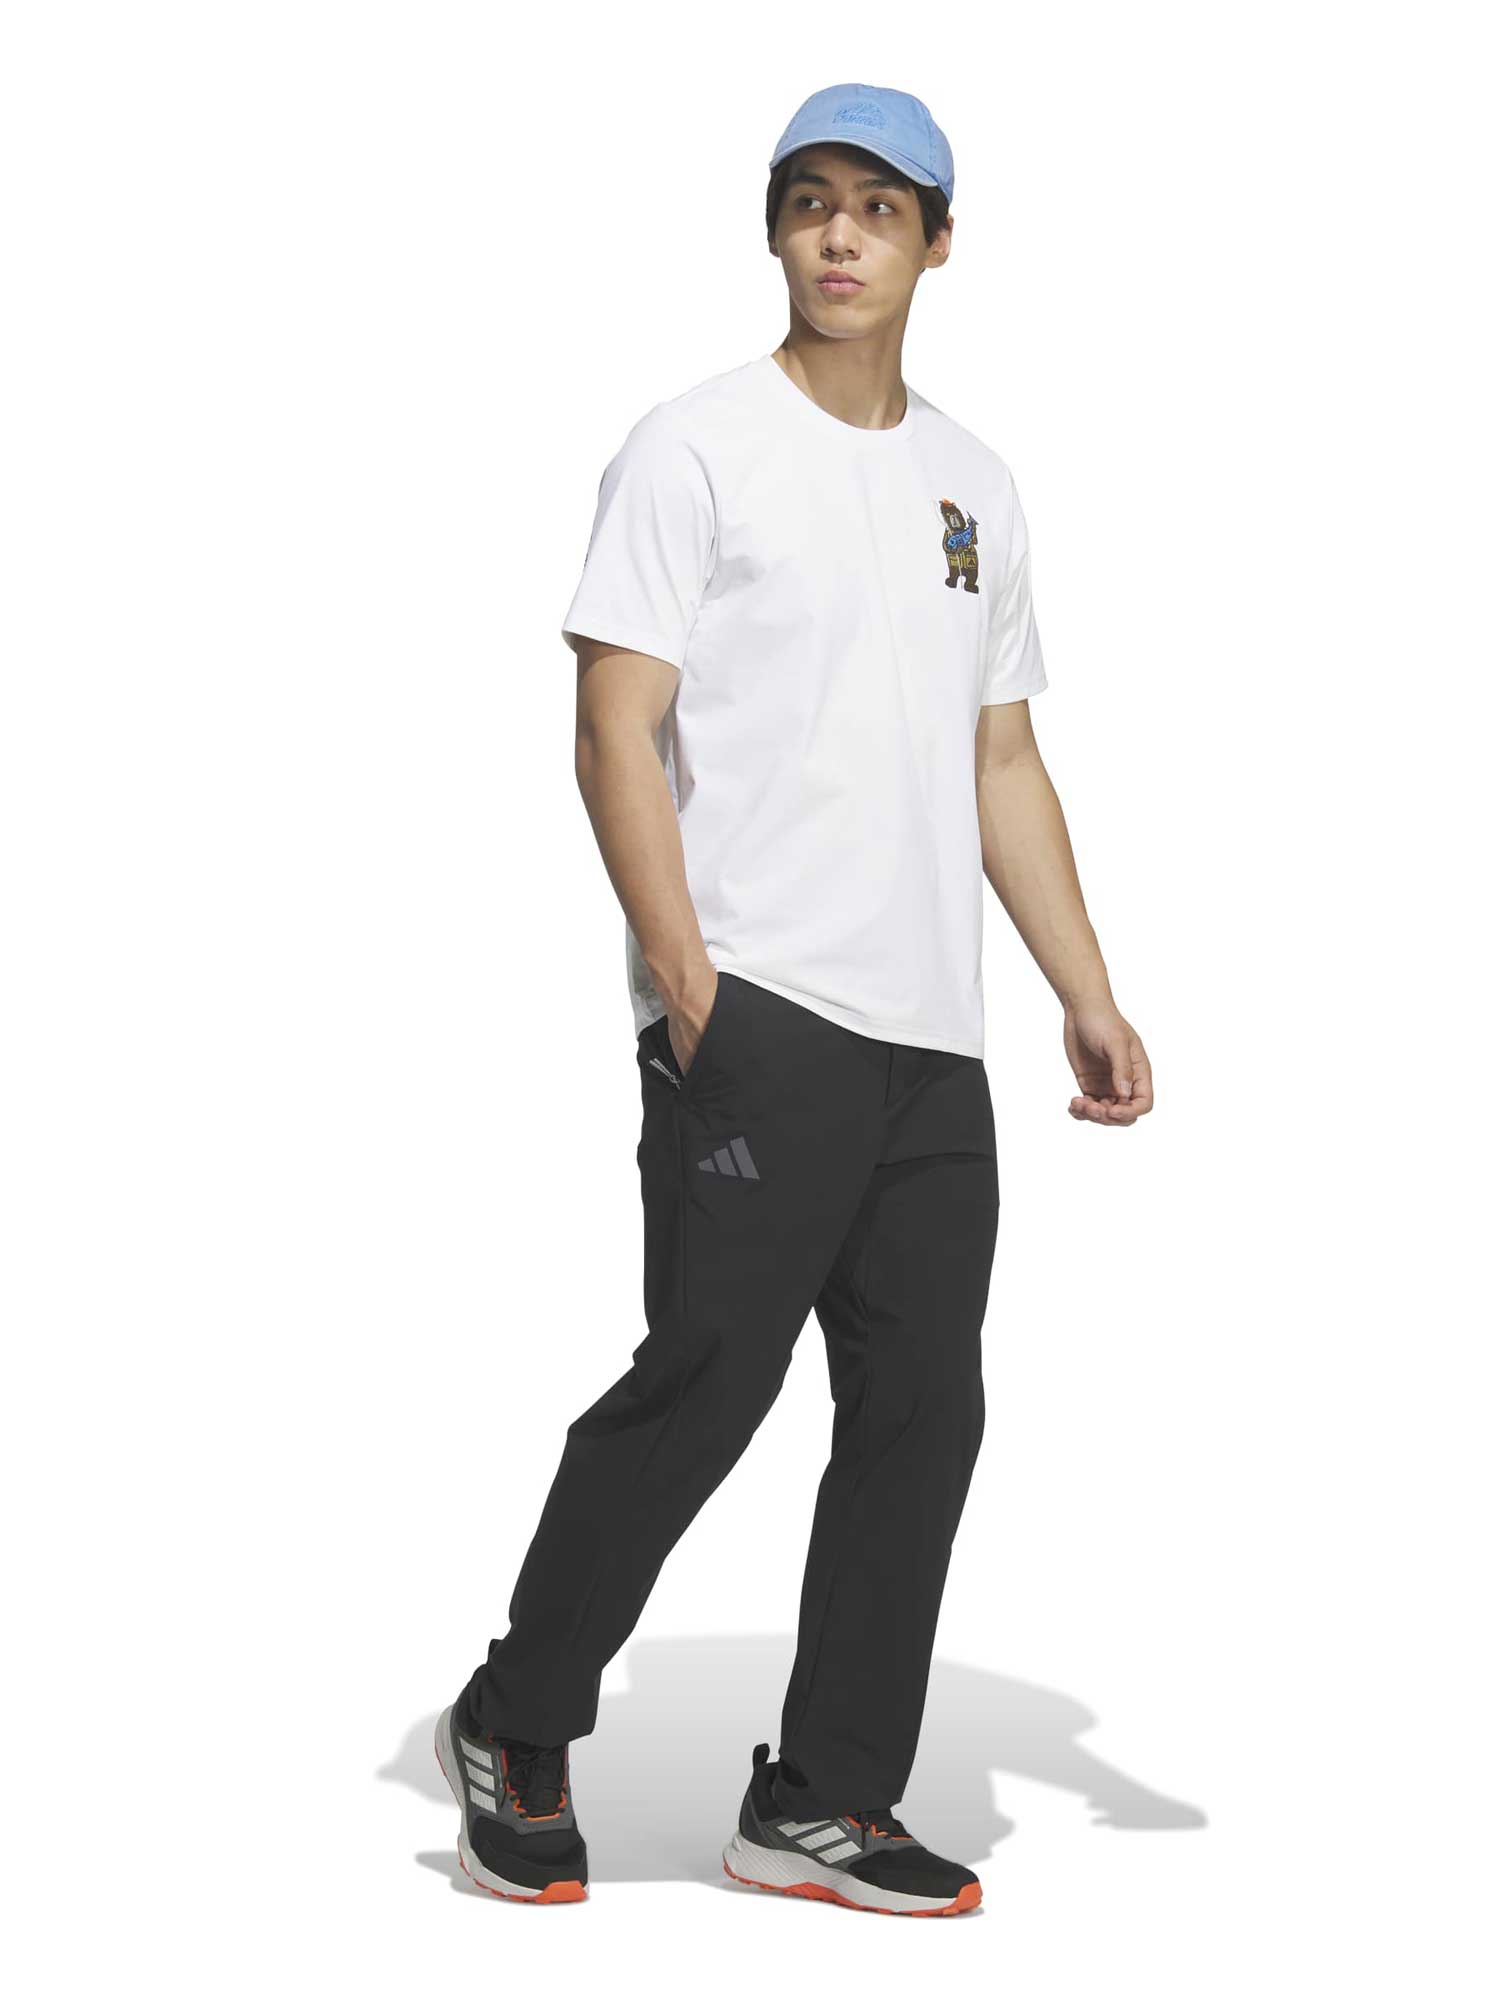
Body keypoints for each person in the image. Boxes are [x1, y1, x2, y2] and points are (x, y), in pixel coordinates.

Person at [434, 80, 1154, 1919]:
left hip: (932, 1044)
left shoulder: (976, 486)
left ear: (937, 243)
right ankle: (517, 1719)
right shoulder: (693, 447)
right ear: (775, 229)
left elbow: (1002, 759)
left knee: (923, 1416)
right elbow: (614, 726)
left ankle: (822, 1800)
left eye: (880, 207)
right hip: (760, 1009)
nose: (840, 234)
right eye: (811, 201)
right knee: (707, 1381)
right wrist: (689, 987)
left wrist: (1083, 991)